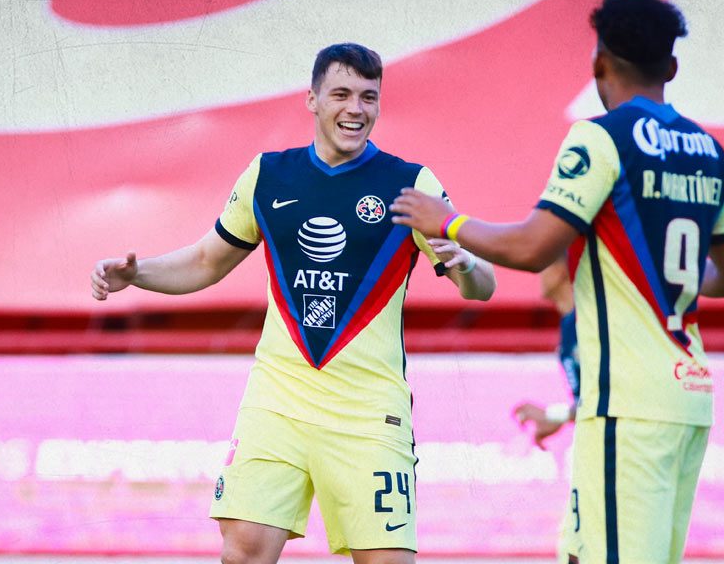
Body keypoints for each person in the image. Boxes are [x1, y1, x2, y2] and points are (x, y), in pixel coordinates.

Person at [90, 42, 496, 564]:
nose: (356, 109)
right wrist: (136, 274)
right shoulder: (268, 175)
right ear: (312, 99)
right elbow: (207, 261)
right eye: (342, 94)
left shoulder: (411, 184)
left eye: (369, 97)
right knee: (244, 549)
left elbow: (482, 286)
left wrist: (463, 263)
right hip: (278, 398)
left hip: (368, 410)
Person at [390, 0, 724, 562]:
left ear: (599, 64)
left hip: (626, 404)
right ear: (672, 67)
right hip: (689, 399)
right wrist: (663, 274)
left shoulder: (601, 136)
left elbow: (535, 247)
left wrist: (451, 221)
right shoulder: (711, 152)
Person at [513, 257, 582, 564]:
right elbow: (591, 398)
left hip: (615, 450)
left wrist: (553, 415)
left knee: (580, 549)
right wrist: (559, 417)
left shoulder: (585, 322)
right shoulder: (571, 323)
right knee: (574, 548)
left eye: (547, 260)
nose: (538, 270)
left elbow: (612, 396)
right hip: (595, 446)